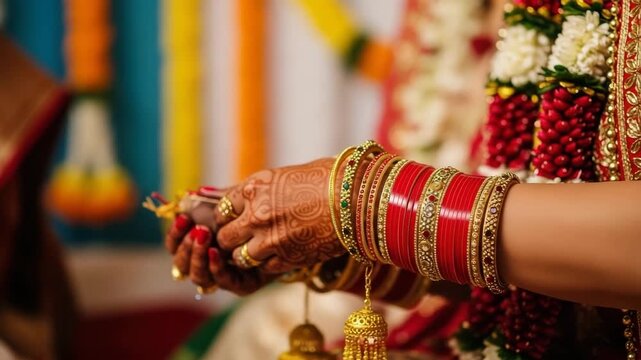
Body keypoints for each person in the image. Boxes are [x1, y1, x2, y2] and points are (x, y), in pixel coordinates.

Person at [164, 1, 641, 358]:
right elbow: (508, 269)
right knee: (257, 333)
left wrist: (363, 205)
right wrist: (317, 246)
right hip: (493, 329)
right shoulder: (459, 13)